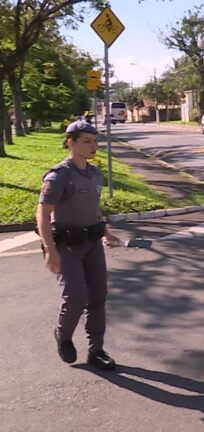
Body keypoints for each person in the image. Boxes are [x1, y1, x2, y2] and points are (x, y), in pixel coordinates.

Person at [37, 120, 121, 371]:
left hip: (92, 243)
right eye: (87, 141)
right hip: (67, 246)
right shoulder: (58, 176)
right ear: (70, 142)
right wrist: (50, 249)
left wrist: (106, 233)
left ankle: (96, 350)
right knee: (75, 297)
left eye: (95, 141)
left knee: (97, 297)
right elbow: (42, 214)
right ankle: (63, 335)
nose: (93, 146)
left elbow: (94, 208)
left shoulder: (95, 172)